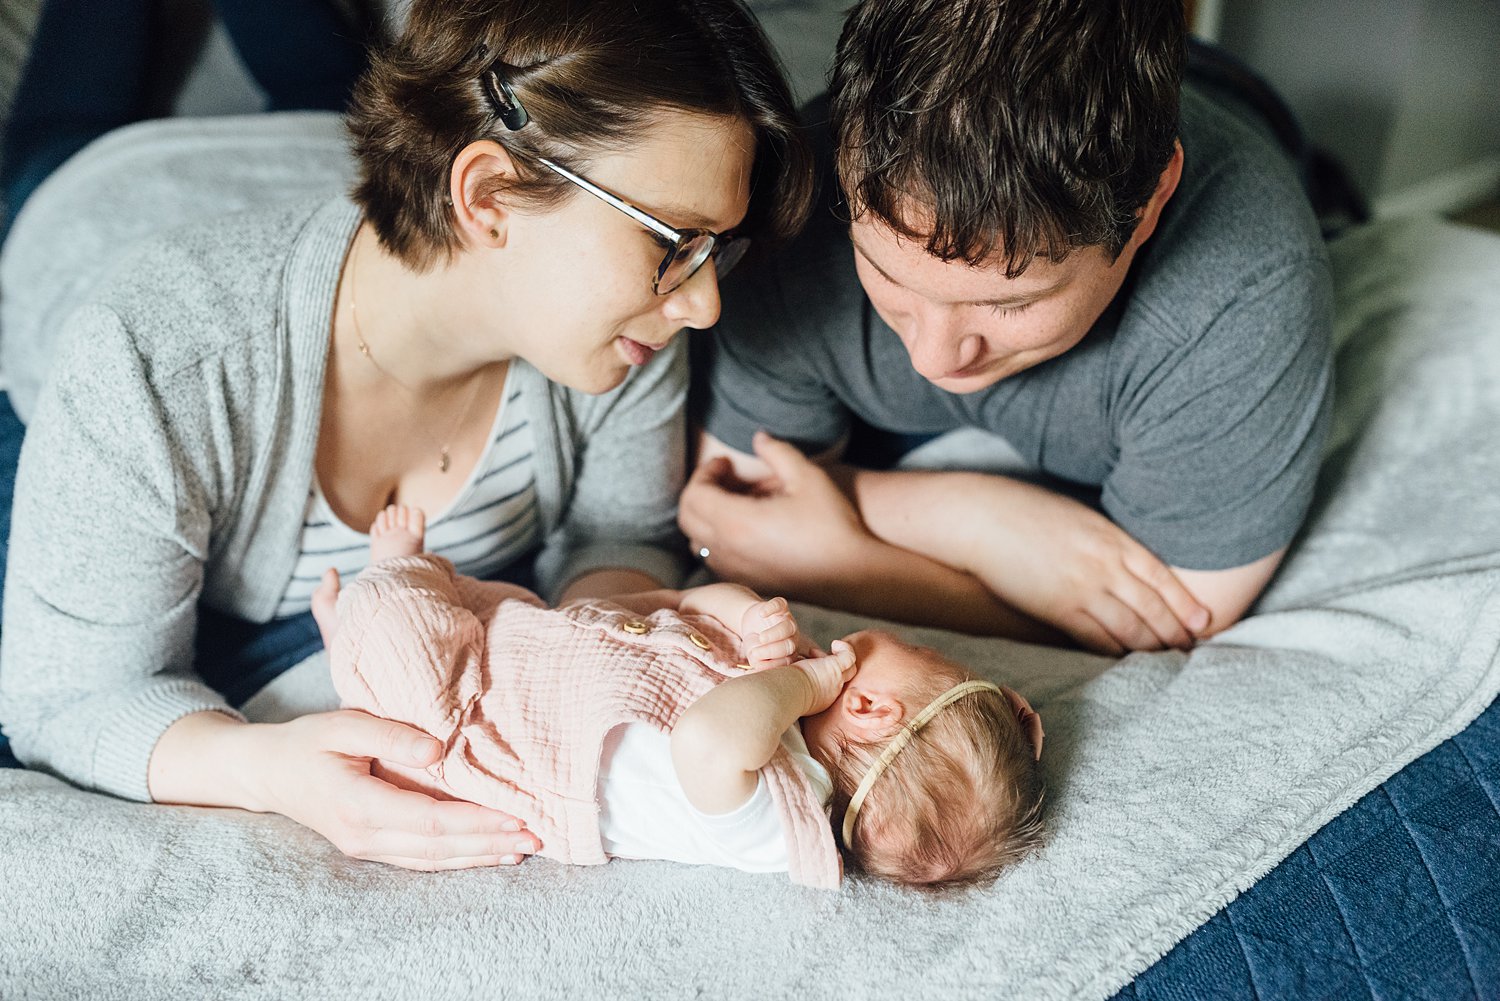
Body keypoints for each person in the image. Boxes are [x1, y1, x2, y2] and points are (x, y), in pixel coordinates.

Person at [0, 0, 813, 871]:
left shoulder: (623, 335)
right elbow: (67, 696)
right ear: (491, 197)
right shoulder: (153, 360)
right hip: (99, 193)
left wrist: (607, 645)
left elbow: (620, 532)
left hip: (346, 162)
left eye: (713, 249)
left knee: (332, 76)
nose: (705, 303)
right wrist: (273, 770)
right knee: (75, 91)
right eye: (675, 242)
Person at [680, 0, 1334, 655]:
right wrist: (978, 522)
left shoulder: (1246, 278)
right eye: (887, 271)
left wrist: (853, 563)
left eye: (1010, 305)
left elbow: (1171, 614)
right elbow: (735, 508)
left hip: (1228, 96)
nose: (935, 357)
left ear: (1149, 207)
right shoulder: (792, 206)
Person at [315, 504, 1046, 887]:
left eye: (922, 653)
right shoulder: (777, 688)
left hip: (486, 731)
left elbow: (707, 739)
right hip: (543, 652)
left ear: (867, 706)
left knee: (402, 632)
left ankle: (378, 594)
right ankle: (360, 633)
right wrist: (741, 613)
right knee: (482, 613)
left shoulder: (784, 820)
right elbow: (691, 610)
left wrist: (802, 680)